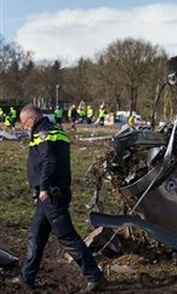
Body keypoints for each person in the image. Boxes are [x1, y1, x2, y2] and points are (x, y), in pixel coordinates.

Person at [10, 104, 107, 292]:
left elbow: (49, 161)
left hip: (51, 195)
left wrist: (44, 187)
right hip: (47, 196)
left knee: (67, 237)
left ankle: (95, 277)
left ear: (32, 119)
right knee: (36, 235)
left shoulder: (43, 133)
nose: (24, 127)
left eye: (24, 123)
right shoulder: (56, 130)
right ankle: (26, 276)